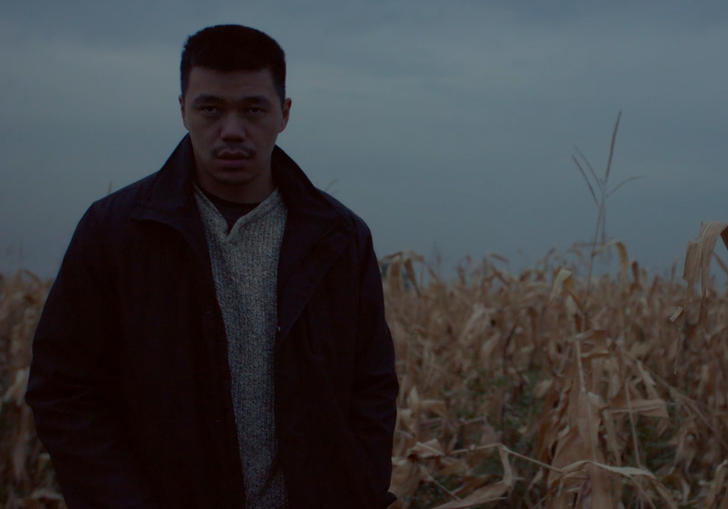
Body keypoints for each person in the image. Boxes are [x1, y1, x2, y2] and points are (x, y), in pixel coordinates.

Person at [25, 24, 398, 509]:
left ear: (284, 114)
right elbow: (63, 390)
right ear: (182, 109)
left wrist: (358, 490)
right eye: (211, 109)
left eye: (253, 109)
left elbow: (371, 387)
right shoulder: (115, 231)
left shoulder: (339, 239)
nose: (232, 131)